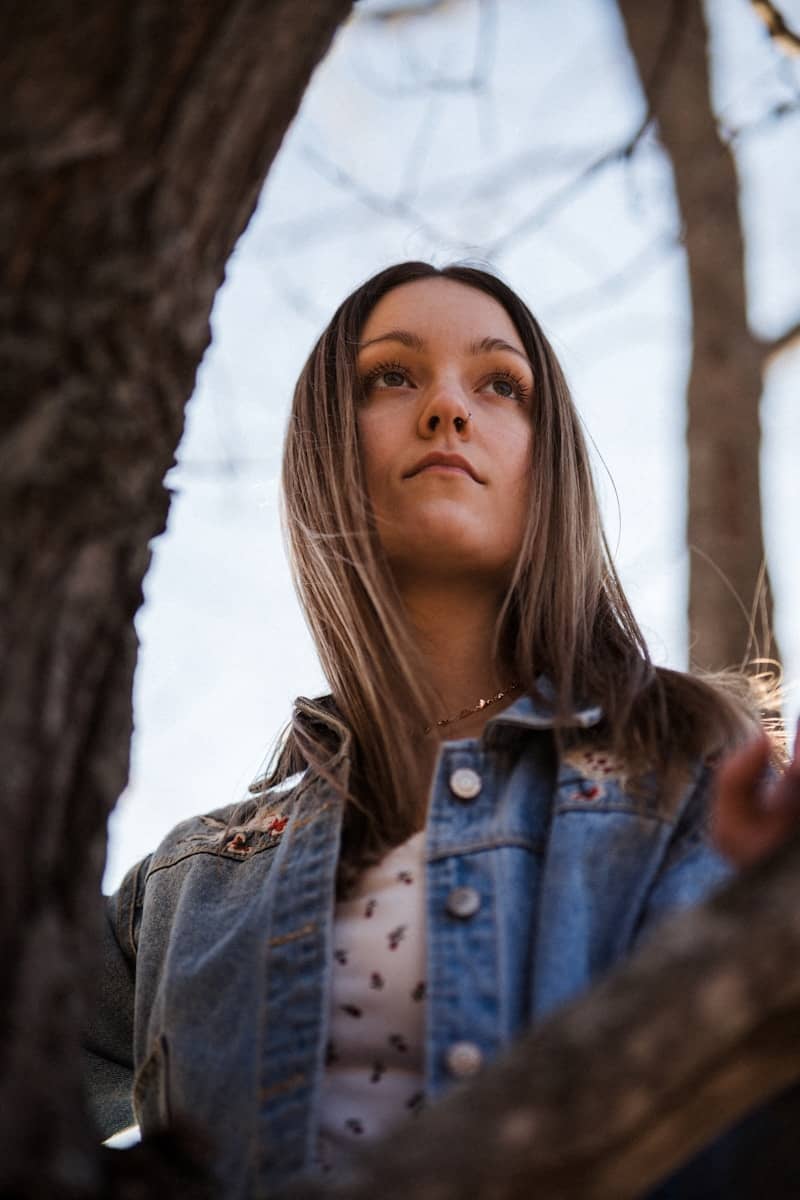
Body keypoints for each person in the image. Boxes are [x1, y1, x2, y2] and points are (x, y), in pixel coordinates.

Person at [84, 261, 778, 1199]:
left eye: (500, 384)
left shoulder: (684, 773)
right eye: (393, 377)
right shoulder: (187, 882)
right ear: (329, 447)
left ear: (550, 463)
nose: (448, 409)